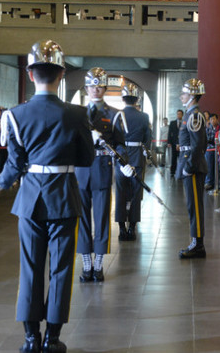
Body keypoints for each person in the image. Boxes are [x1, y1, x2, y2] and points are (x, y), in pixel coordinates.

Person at [0, 40, 95, 353]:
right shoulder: (77, 113)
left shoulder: (15, 115)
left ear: (30, 75)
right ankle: (52, 338)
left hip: (30, 198)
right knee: (61, 268)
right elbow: (86, 160)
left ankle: (30, 338)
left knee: (30, 267)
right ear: (61, 75)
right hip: (65, 197)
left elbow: (14, 167)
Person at [75, 67, 132, 282]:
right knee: (81, 219)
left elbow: (121, 145)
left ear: (105, 88)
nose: (95, 89)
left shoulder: (114, 114)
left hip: (101, 169)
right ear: (87, 88)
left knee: (101, 217)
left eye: (99, 85)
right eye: (92, 85)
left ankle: (98, 262)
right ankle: (86, 262)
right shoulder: (77, 114)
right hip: (81, 170)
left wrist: (124, 162)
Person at [176, 79, 208, 259]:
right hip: (189, 163)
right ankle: (196, 241)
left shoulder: (194, 116)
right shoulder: (190, 114)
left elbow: (197, 146)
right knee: (191, 206)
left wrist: (189, 167)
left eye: (185, 93)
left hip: (193, 167)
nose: (182, 96)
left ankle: (198, 244)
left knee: (195, 206)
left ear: (193, 96)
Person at [115, 81, 150, 241]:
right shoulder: (144, 117)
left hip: (121, 157)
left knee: (121, 192)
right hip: (137, 155)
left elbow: (114, 139)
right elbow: (147, 139)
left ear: (123, 99)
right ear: (137, 100)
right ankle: (132, 228)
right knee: (136, 193)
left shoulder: (117, 115)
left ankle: (122, 228)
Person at [204, 113, 219, 189]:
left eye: (214, 119)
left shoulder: (219, 128)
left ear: (217, 119)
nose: (213, 121)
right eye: (211, 119)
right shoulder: (208, 128)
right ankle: (209, 182)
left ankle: (218, 183)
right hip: (210, 149)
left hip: (218, 149)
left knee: (218, 167)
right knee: (209, 166)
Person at [168, 110, 183, 176]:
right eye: (178, 114)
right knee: (173, 158)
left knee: (181, 158)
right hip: (174, 143)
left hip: (182, 144)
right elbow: (169, 133)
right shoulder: (172, 123)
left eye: (180, 114)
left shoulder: (184, 123)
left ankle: (180, 172)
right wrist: (169, 142)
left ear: (182, 115)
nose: (178, 115)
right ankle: (172, 172)